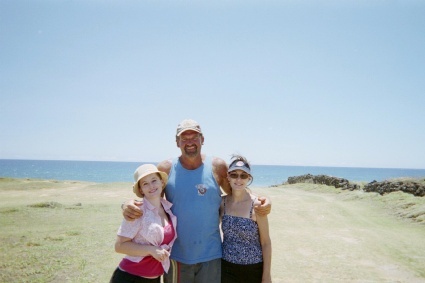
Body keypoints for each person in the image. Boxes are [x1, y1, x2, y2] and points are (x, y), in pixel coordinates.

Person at [122, 119, 271, 283]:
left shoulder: (217, 166)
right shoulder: (166, 168)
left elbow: (236, 194)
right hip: (176, 256)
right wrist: (127, 204)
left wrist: (263, 200)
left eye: (194, 137)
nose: (190, 142)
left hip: (212, 256)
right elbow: (151, 199)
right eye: (184, 138)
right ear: (177, 142)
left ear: (203, 139)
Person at [110, 164, 177, 283]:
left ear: (161, 182)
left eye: (154, 180)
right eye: (145, 183)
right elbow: (119, 246)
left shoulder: (168, 209)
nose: (151, 186)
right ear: (141, 189)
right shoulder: (136, 211)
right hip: (130, 277)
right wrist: (151, 250)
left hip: (155, 278)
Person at [220, 155, 272, 283]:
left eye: (243, 175)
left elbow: (266, 243)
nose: (238, 179)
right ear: (228, 177)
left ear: (249, 178)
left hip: (253, 269)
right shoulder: (222, 203)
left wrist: (266, 276)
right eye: (234, 175)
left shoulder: (257, 205)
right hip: (226, 268)